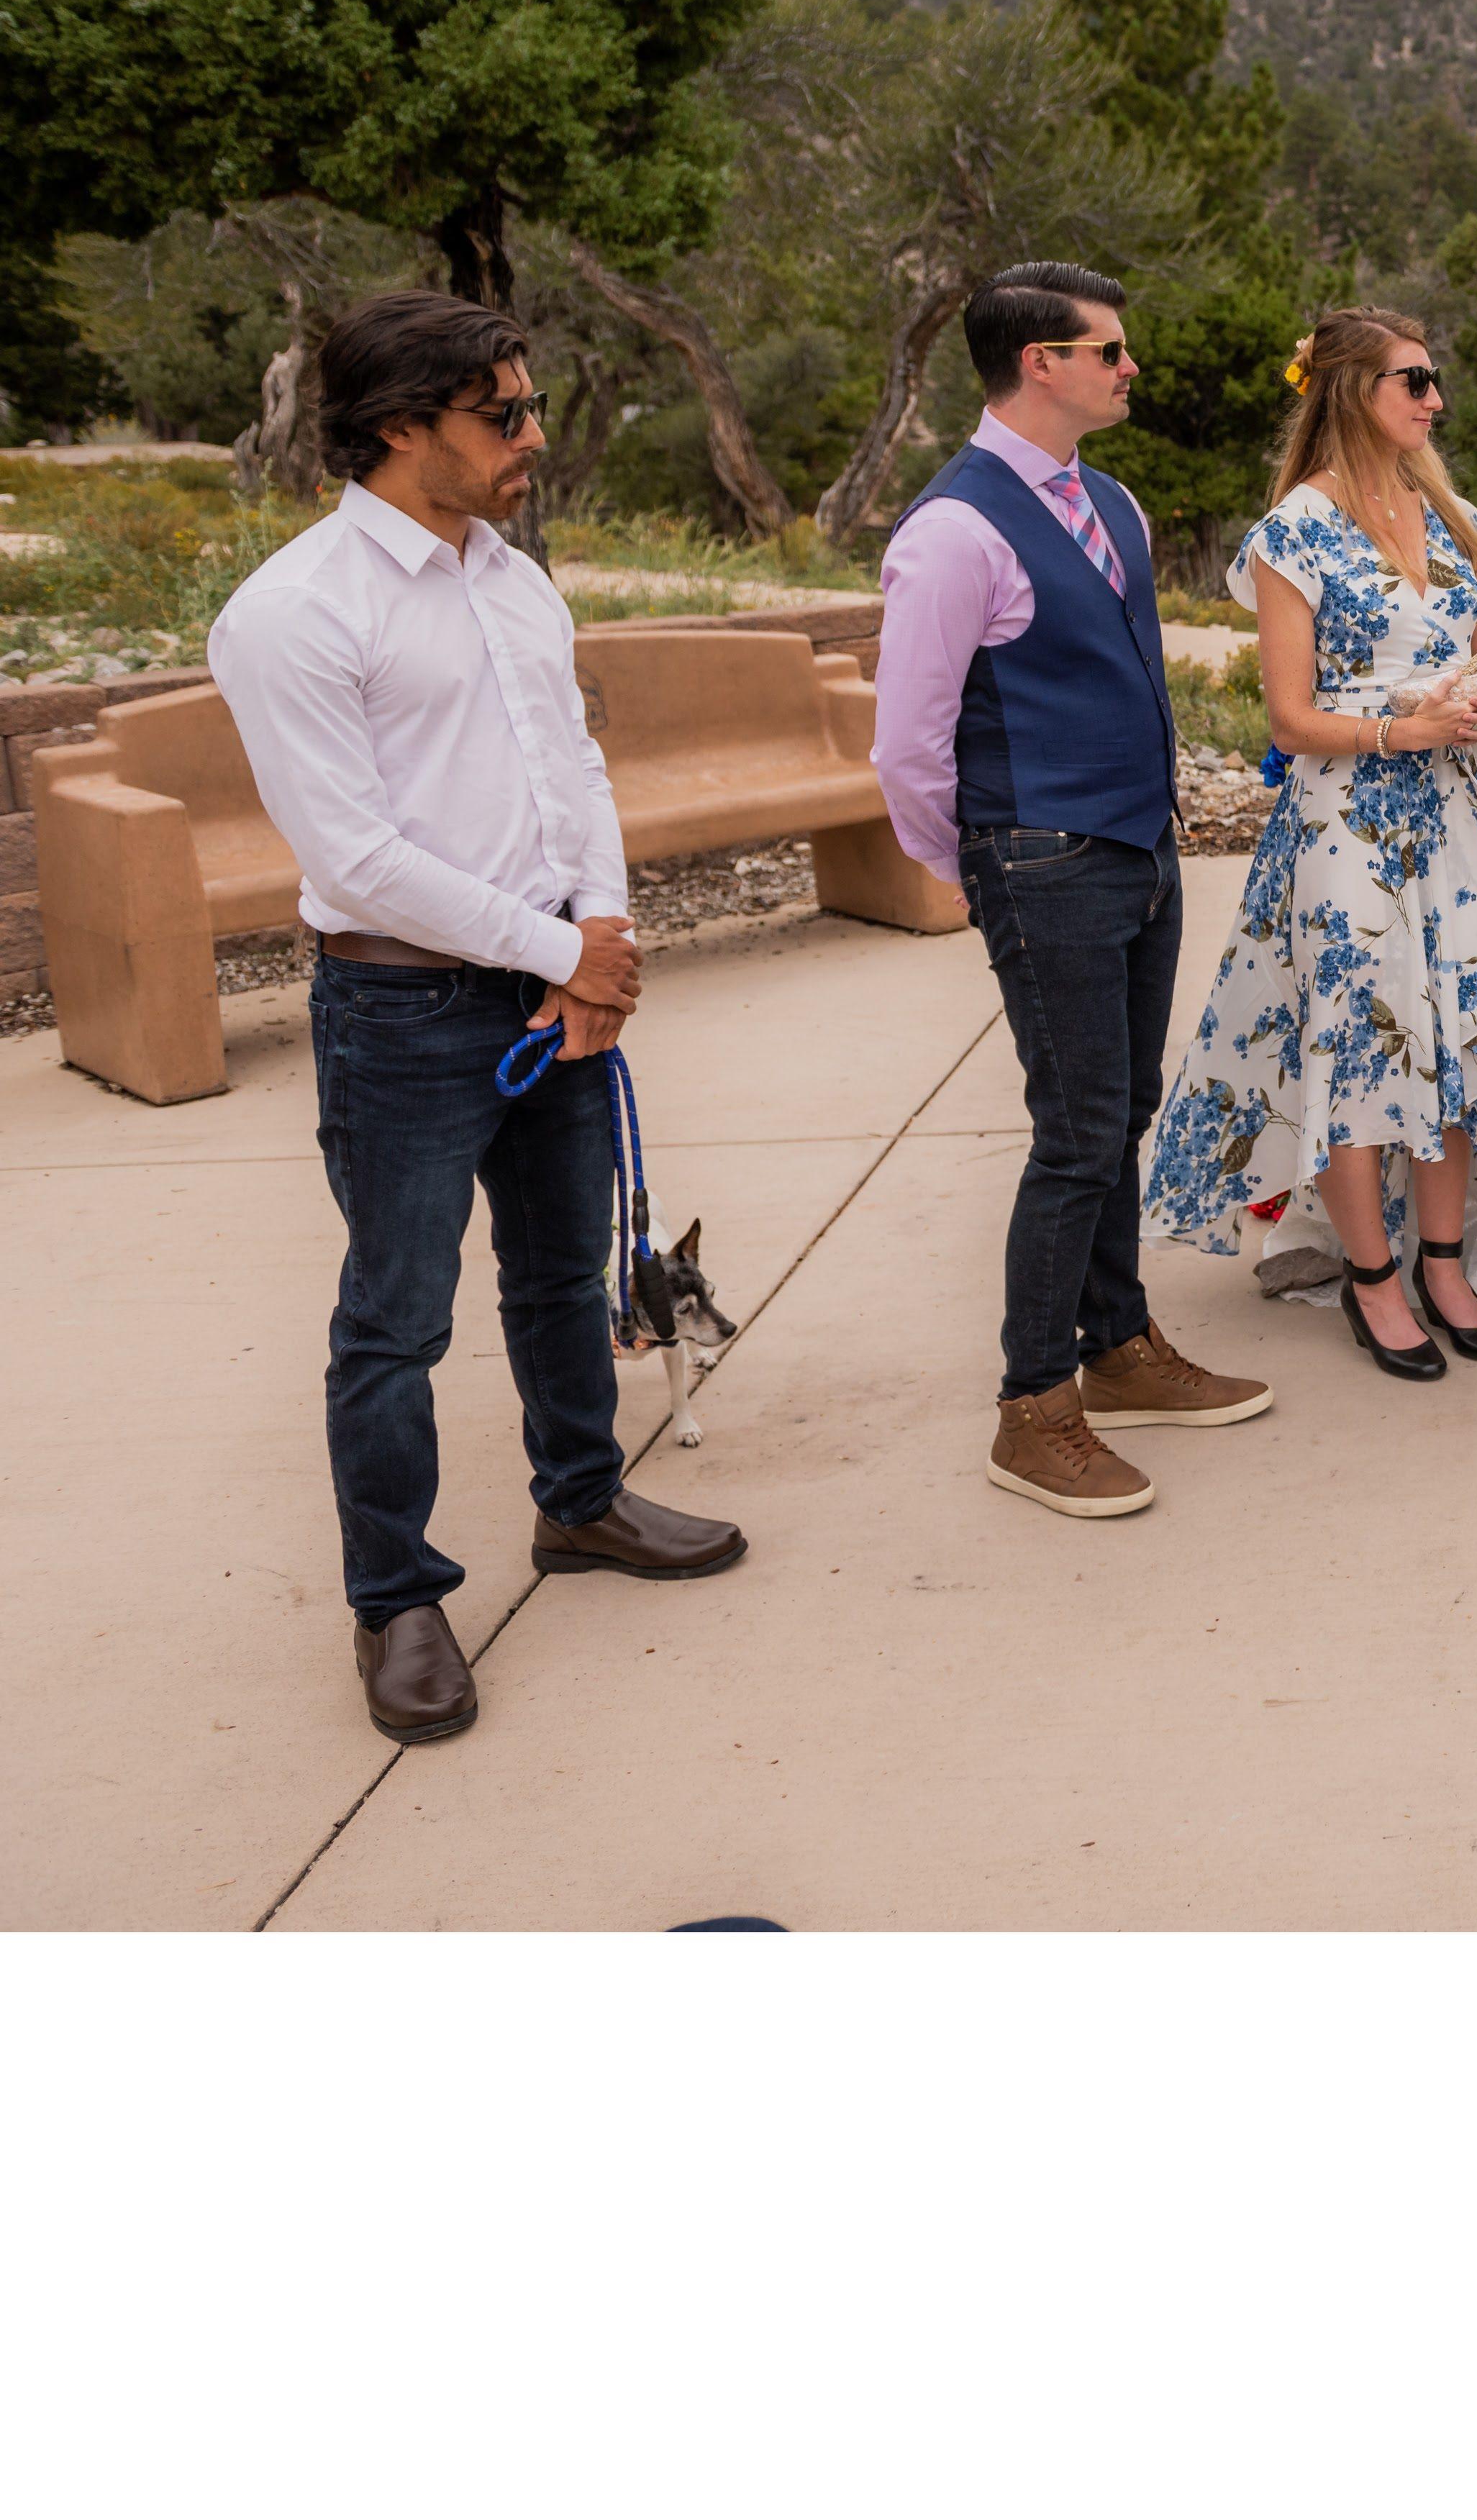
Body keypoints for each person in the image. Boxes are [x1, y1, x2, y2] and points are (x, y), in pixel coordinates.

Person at [209, 292, 746, 1748]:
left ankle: (579, 1503)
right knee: (395, 1320)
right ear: (399, 429)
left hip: (551, 984)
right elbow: (356, 855)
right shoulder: (292, 612)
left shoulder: (514, 577)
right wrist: (564, 954)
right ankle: (396, 1599)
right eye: (500, 412)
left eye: (529, 402)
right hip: (400, 1008)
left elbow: (572, 765)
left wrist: (604, 939)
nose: (532, 433)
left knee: (561, 1275)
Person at [1143, 306, 1477, 1377]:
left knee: (1464, 1030)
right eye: (1412, 381)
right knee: (1362, 1041)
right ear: (1347, 390)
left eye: (1434, 379)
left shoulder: (1451, 510)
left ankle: (1445, 1258)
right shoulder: (1292, 530)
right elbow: (1287, 718)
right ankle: (1371, 1280)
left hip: (1461, 817)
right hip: (1347, 826)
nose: (1433, 399)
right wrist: (1403, 728)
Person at [875, 261, 1270, 1524]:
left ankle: (1120, 1343)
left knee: (1122, 1109)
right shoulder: (952, 529)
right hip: (1040, 854)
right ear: (1037, 362)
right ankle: (1033, 1407)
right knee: (1075, 1128)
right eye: (1107, 349)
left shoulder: (1116, 503)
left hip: (1136, 848)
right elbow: (907, 742)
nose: (1128, 366)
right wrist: (986, 864)